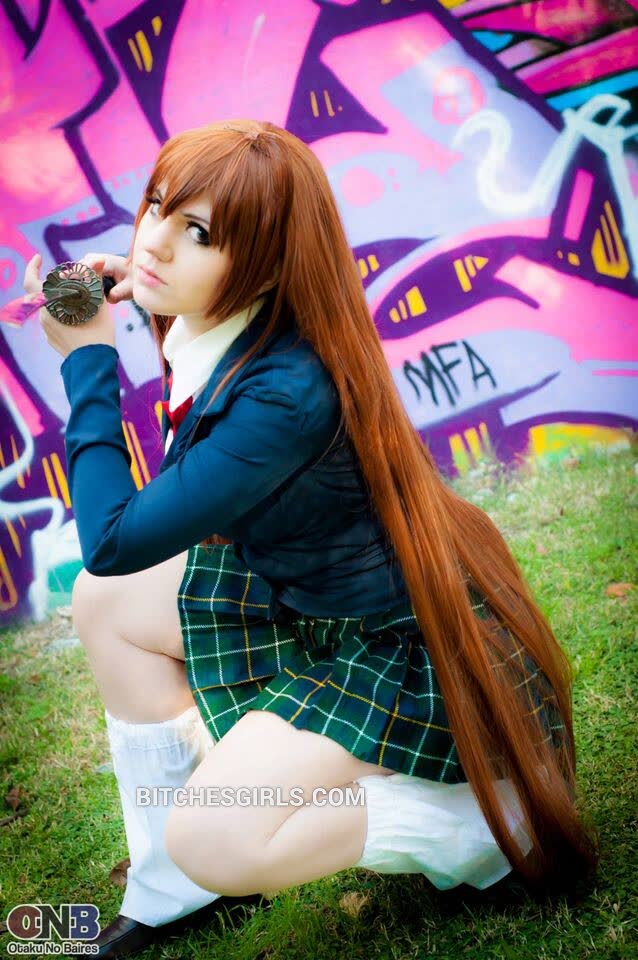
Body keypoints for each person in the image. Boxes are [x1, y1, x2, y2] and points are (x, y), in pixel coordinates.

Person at [25, 119, 599, 959]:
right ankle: (175, 894)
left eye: (200, 233)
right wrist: (143, 288)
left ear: (266, 262)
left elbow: (114, 538)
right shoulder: (244, 325)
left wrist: (86, 361)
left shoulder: (285, 395)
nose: (155, 240)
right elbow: (123, 559)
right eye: (158, 206)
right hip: (304, 602)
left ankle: (484, 821)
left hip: (400, 649)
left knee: (215, 834)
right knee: (105, 603)